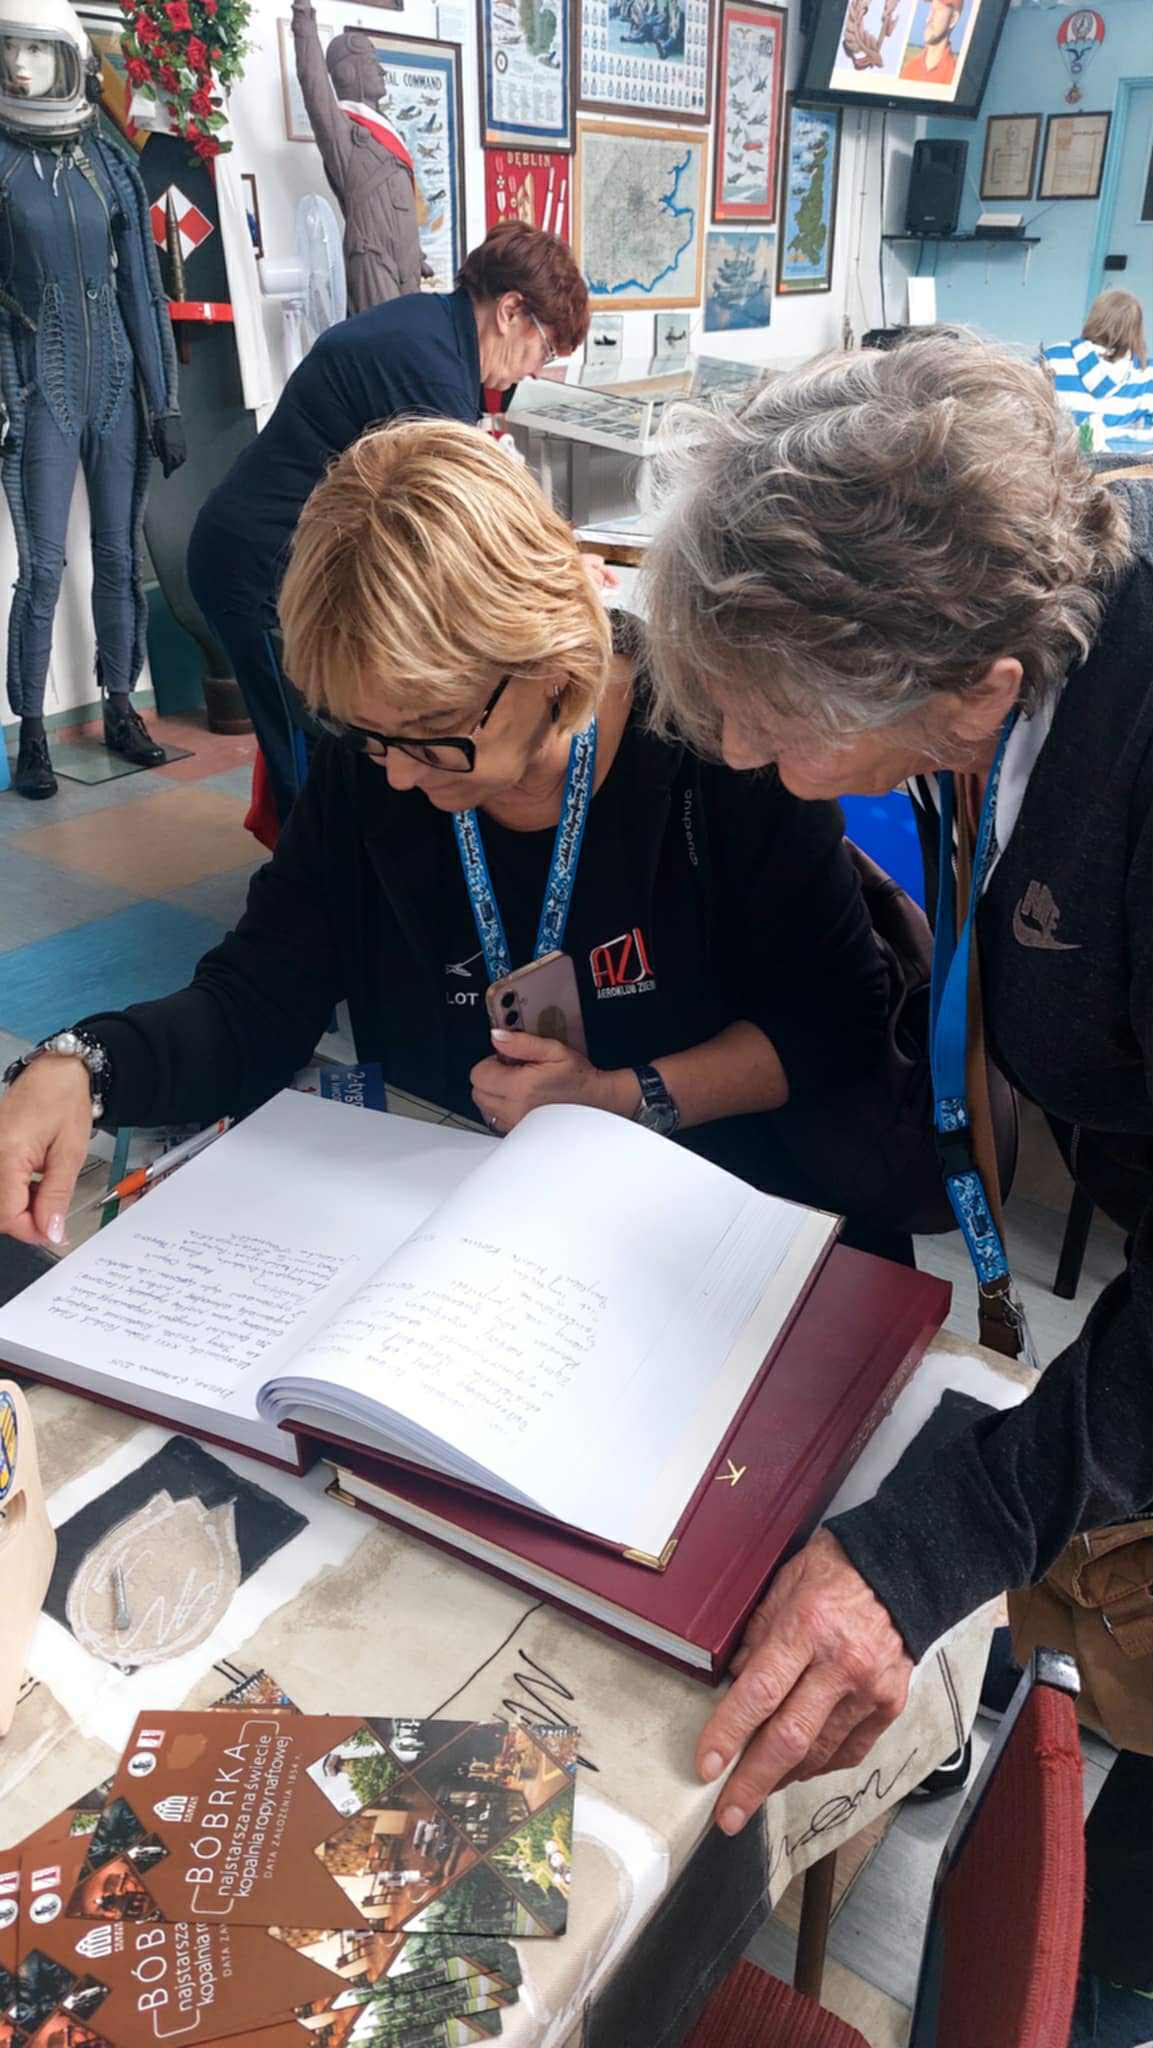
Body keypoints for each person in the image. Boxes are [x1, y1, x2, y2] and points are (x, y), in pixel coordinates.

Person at [642, 331, 1151, 2037]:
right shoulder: (1028, 691)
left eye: (769, 718)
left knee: (1103, 1916)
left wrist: (944, 1536)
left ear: (966, 686)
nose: (736, 752)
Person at [1, 418, 926, 1276]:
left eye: (433, 731)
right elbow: (257, 998)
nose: (402, 776)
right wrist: (85, 1066)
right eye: (370, 736)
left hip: (712, 1221)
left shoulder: (720, 749)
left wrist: (617, 1096)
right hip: (459, 1237)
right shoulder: (373, 766)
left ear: (548, 659)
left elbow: (832, 1027)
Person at [187, 220, 587, 825]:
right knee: (310, 748)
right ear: (511, 311)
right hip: (257, 567)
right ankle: (310, 872)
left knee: (329, 741)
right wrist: (559, 567)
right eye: (545, 350)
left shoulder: (432, 333)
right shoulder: (427, 366)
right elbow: (461, 520)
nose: (535, 370)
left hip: (280, 554)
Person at [0, 0, 184, 801]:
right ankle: (32, 738)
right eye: (9, 50)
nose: (18, 66)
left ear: (69, 60)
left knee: (117, 555)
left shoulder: (110, 164)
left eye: (35, 52)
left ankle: (120, 707)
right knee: (42, 567)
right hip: (39, 386)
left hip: (113, 385)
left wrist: (164, 400)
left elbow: (142, 290)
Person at [290, 0, 423, 314]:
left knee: (413, 339)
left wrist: (415, 253)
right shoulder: (342, 132)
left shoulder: (388, 134)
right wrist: (304, 17)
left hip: (409, 263)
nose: (381, 71)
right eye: (372, 63)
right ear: (348, 72)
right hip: (372, 258)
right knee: (386, 338)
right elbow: (313, 82)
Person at [1044, 289, 1153, 451]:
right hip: (1119, 464)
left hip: (1058, 461)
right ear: (1136, 329)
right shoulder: (1146, 374)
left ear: (1094, 318)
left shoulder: (1053, 357)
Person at [899, 0, 961, 84]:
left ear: (953, 19)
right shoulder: (909, 69)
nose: (928, 18)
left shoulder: (955, 78)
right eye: (930, 9)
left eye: (937, 10)